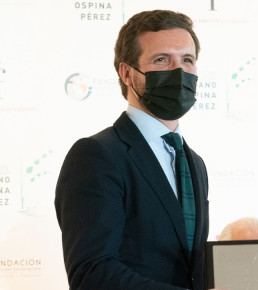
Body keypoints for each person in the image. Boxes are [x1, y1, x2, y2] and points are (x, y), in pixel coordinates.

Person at [54, 10, 209, 290]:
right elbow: (92, 273)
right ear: (127, 73)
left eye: (187, 60)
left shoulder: (194, 163)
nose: (179, 71)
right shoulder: (96, 156)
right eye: (161, 60)